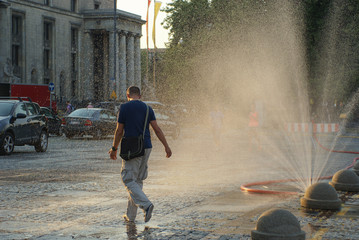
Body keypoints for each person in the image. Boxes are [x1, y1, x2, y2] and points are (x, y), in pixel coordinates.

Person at [109, 86, 172, 223]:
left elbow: (119, 131)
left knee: (128, 179)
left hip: (132, 148)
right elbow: (156, 129)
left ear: (128, 95)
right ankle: (130, 216)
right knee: (137, 181)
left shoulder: (124, 108)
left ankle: (146, 205)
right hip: (146, 147)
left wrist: (114, 148)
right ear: (140, 95)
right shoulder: (148, 109)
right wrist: (166, 146)